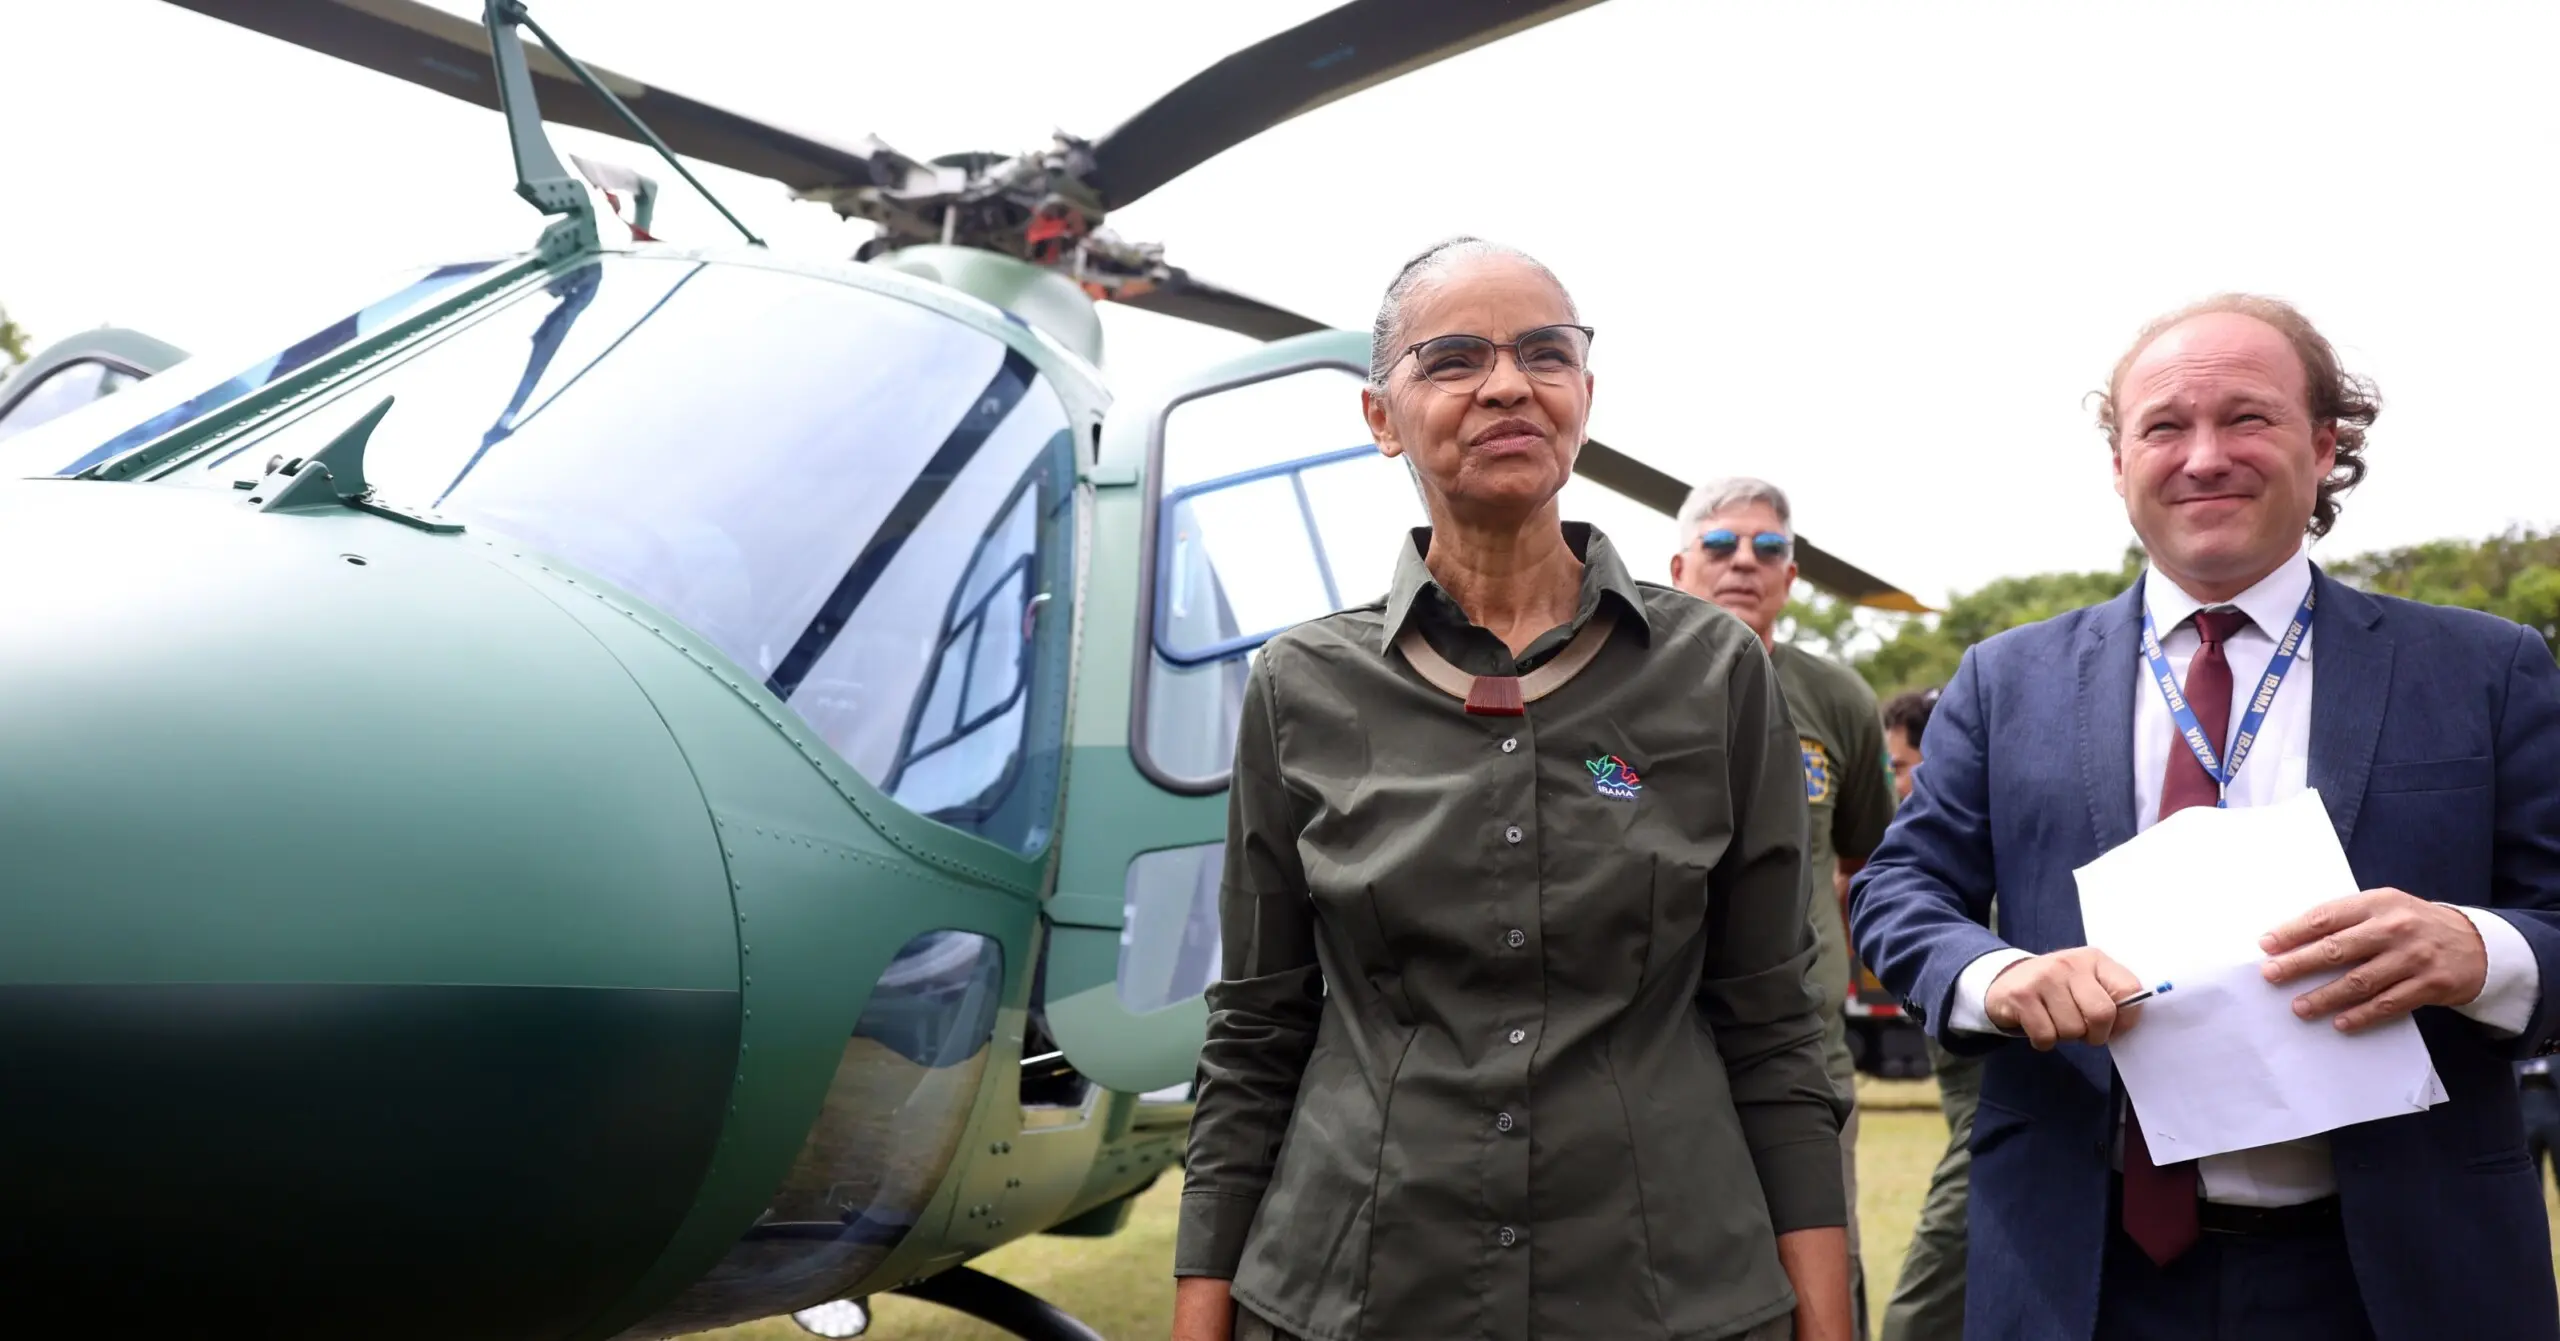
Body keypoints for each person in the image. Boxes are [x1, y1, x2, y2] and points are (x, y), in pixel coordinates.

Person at [1170, 236, 1855, 1341]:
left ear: (1583, 394)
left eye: (1545, 352)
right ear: (1380, 419)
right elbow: (1257, 1028)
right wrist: (1199, 1311)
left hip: (1668, 1295)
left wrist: (1827, 1320)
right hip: (1355, 1295)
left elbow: (1770, 1022)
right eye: (1450, 359)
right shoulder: (1301, 686)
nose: (1505, 383)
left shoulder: (1715, 674)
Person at [1848, 292, 2560, 1341]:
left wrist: (2482, 949)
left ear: (2324, 447)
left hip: (2400, 1276)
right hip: (2081, 1276)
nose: (2204, 455)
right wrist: (2001, 977)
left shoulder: (2484, 669)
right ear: (2118, 460)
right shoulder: (2006, 680)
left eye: (2248, 418)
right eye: (2165, 426)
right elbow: (1900, 891)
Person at [1669, 476, 1896, 1339]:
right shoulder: (1619, 689)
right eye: (1722, 546)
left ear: (1791, 574)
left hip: (1802, 1048)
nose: (1743, 564)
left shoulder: (1836, 698)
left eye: (1767, 549)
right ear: (1681, 564)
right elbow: (1593, 790)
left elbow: (1869, 856)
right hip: (1655, 1044)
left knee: (1823, 1281)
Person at [1873, 685, 1980, 1341]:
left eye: (1902, 766)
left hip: (1993, 1120)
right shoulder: (1920, 856)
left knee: (1918, 1315)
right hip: (1968, 1115)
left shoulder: (1984, 846)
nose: (1896, 783)